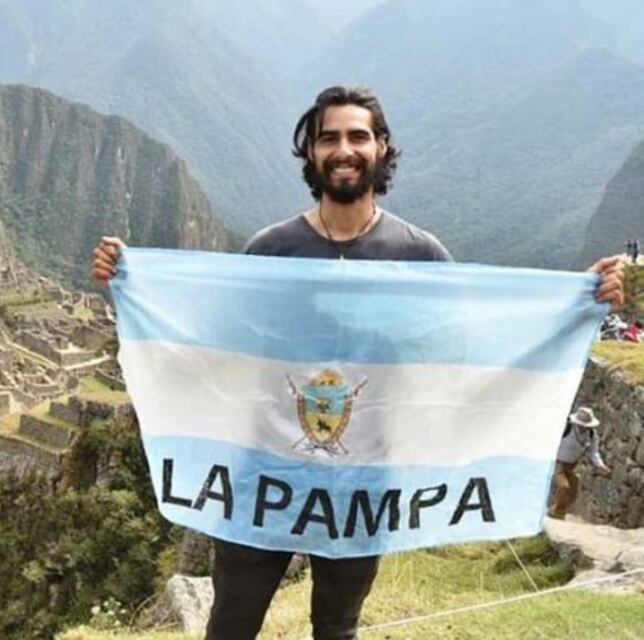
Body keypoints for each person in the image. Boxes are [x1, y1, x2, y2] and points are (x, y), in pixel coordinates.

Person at [91, 86, 626, 639]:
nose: (343, 150)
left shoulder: (420, 257)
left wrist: (576, 304)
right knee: (231, 624)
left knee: (337, 627)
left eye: (357, 137)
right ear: (311, 152)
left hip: (364, 486)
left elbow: (467, 357)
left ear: (381, 147)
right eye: (329, 138)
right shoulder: (272, 252)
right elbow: (217, 345)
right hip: (263, 477)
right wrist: (132, 284)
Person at [548, 406, 612, 519]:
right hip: (558, 464)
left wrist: (601, 466)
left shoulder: (592, 435)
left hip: (571, 466)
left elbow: (594, 453)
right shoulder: (566, 428)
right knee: (564, 487)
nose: (583, 427)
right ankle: (556, 513)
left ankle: (557, 510)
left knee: (573, 492)